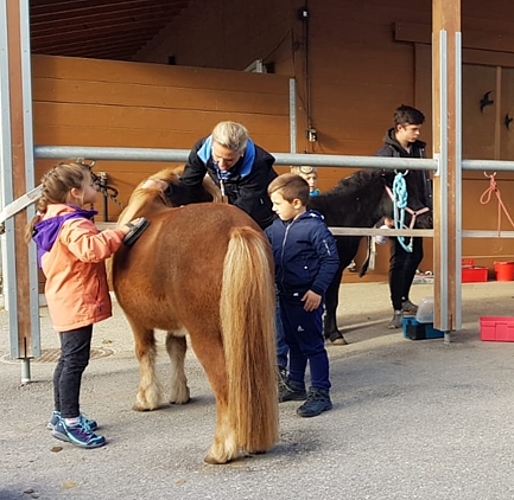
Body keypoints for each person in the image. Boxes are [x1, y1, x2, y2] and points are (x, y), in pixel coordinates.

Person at [25, 161, 143, 449]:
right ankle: (70, 421)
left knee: (67, 360)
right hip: (76, 302)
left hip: (65, 298)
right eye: (92, 185)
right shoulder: (72, 222)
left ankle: (60, 415)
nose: (96, 188)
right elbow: (92, 250)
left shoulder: (52, 217)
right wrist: (123, 231)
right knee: (74, 362)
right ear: (75, 193)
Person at [265, 173, 339, 418]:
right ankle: (295, 385)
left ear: (296, 203)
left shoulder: (315, 228)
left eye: (277, 203)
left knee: (312, 346)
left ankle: (320, 392)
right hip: (283, 296)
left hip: (306, 299)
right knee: (293, 342)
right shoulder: (275, 228)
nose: (274, 209)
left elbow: (331, 260)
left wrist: (317, 290)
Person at [375, 105, 432, 329]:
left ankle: (404, 299)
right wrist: (384, 218)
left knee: (416, 255)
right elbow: (376, 187)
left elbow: (423, 182)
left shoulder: (418, 150)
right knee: (398, 259)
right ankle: (397, 309)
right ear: (400, 128)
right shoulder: (385, 154)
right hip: (398, 216)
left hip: (417, 213)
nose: (418, 133)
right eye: (414, 129)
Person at [178, 121, 278, 229]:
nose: (221, 164)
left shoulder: (258, 163)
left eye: (229, 160)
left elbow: (247, 204)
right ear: (212, 146)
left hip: (263, 211)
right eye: (217, 156)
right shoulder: (201, 150)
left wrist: (214, 220)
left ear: (241, 152)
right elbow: (189, 183)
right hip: (234, 201)